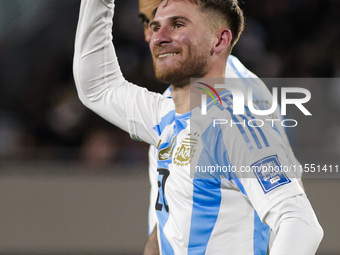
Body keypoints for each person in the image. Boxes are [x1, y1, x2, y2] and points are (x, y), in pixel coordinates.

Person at [73, 0, 323, 254]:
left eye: (178, 24)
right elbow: (98, 86)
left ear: (219, 40)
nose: (159, 37)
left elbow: (300, 223)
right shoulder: (163, 113)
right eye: (156, 26)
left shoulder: (234, 125)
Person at [138, 1, 305, 254]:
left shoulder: (241, 97)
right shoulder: (171, 99)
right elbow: (163, 221)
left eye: (176, 24)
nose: (153, 36)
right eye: (149, 23)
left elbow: (290, 207)